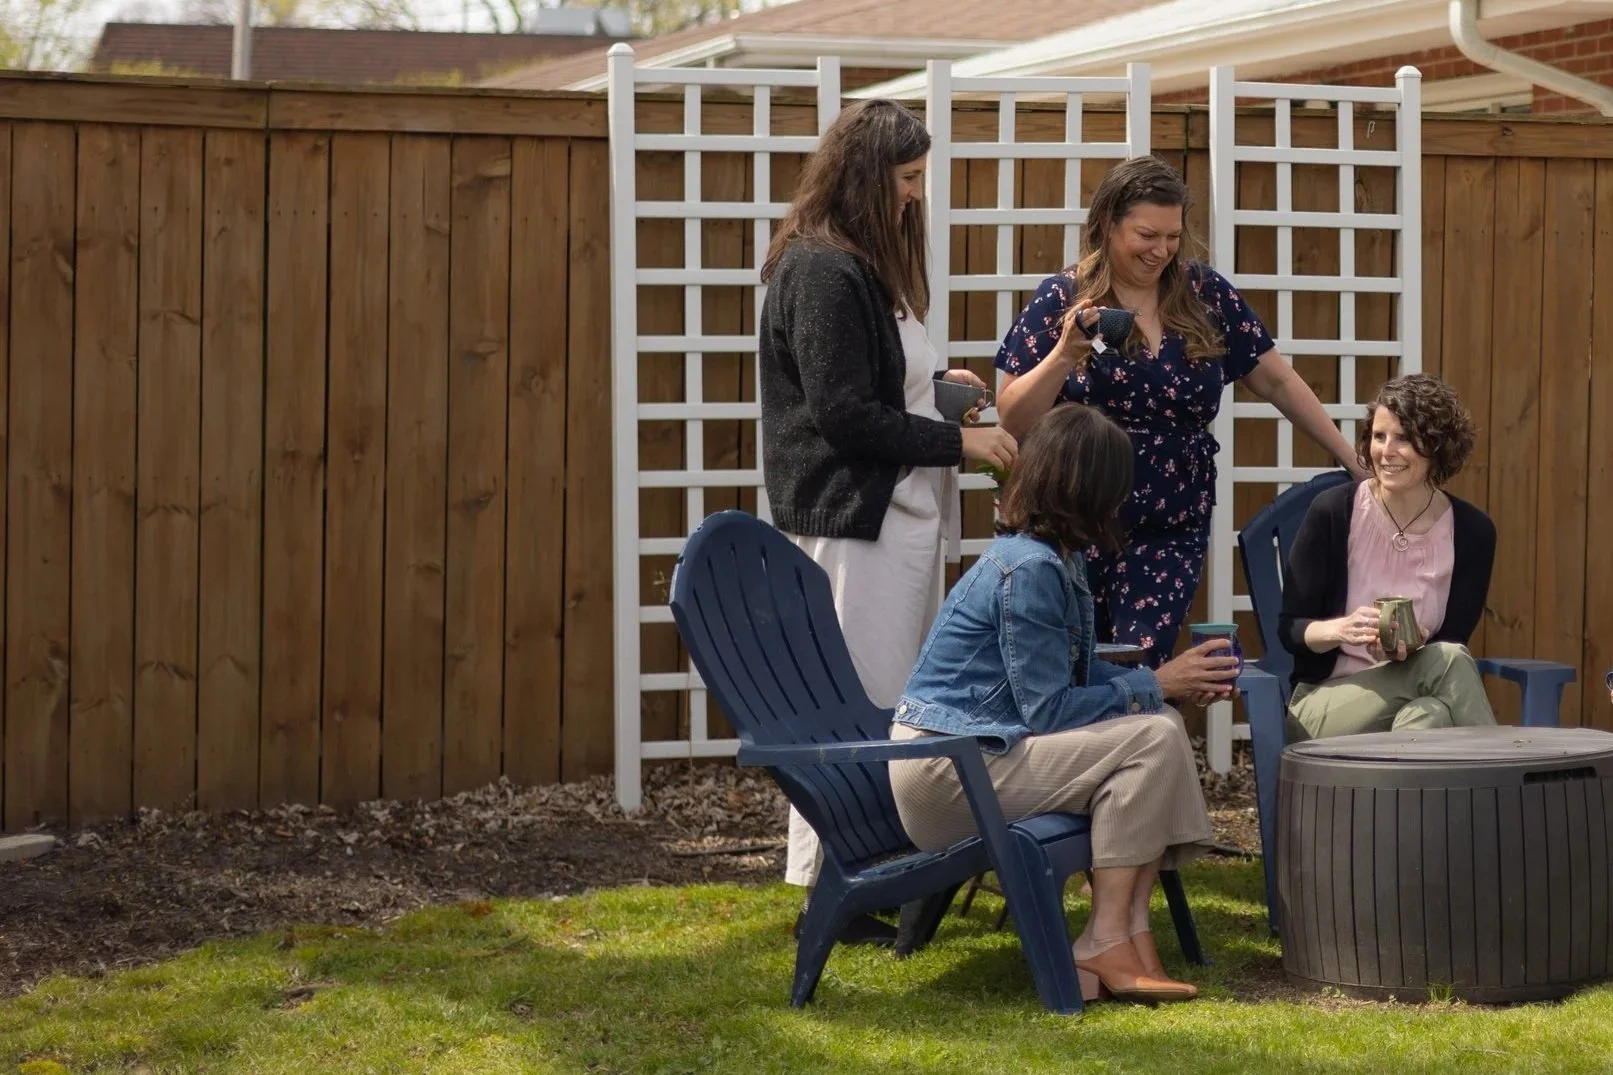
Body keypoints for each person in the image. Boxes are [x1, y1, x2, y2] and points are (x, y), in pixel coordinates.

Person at [756, 98, 1019, 944]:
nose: (915, 195)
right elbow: (843, 416)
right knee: (857, 709)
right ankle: (828, 895)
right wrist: (963, 441)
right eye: (907, 179)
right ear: (868, 178)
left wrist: (938, 382)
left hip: (891, 521)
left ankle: (863, 878)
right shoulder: (824, 272)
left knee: (882, 703)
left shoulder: (859, 267)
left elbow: (876, 388)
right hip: (853, 522)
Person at [888, 404, 1240, 1004]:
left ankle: (1130, 934)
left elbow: (1067, 670)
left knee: (1158, 726)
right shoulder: (1028, 569)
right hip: (947, 773)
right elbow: (1046, 711)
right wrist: (1160, 682)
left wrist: (1162, 685)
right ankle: (1106, 937)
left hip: (983, 756)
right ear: (1093, 489)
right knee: (1153, 733)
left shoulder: (1053, 558)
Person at [993, 155, 1368, 671]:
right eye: (1147, 235)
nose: (1161, 250)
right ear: (1108, 223)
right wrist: (1064, 355)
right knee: (1069, 664)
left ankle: (1135, 748)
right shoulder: (1064, 296)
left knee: (1141, 661)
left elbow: (1278, 379)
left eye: (1172, 236)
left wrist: (1349, 456)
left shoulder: (1204, 292)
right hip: (1075, 511)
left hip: (1172, 515)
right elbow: (1012, 416)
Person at [1277, 373, 1497, 738]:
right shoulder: (1334, 512)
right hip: (1324, 706)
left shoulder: (1472, 532)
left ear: (1438, 446)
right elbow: (1290, 629)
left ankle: (1391, 795)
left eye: (1404, 438)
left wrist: (1414, 645)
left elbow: (1453, 636)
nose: (1386, 451)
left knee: (1428, 715)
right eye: (1379, 436)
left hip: (1415, 686)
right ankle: (1503, 783)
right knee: (1449, 662)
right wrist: (1341, 629)